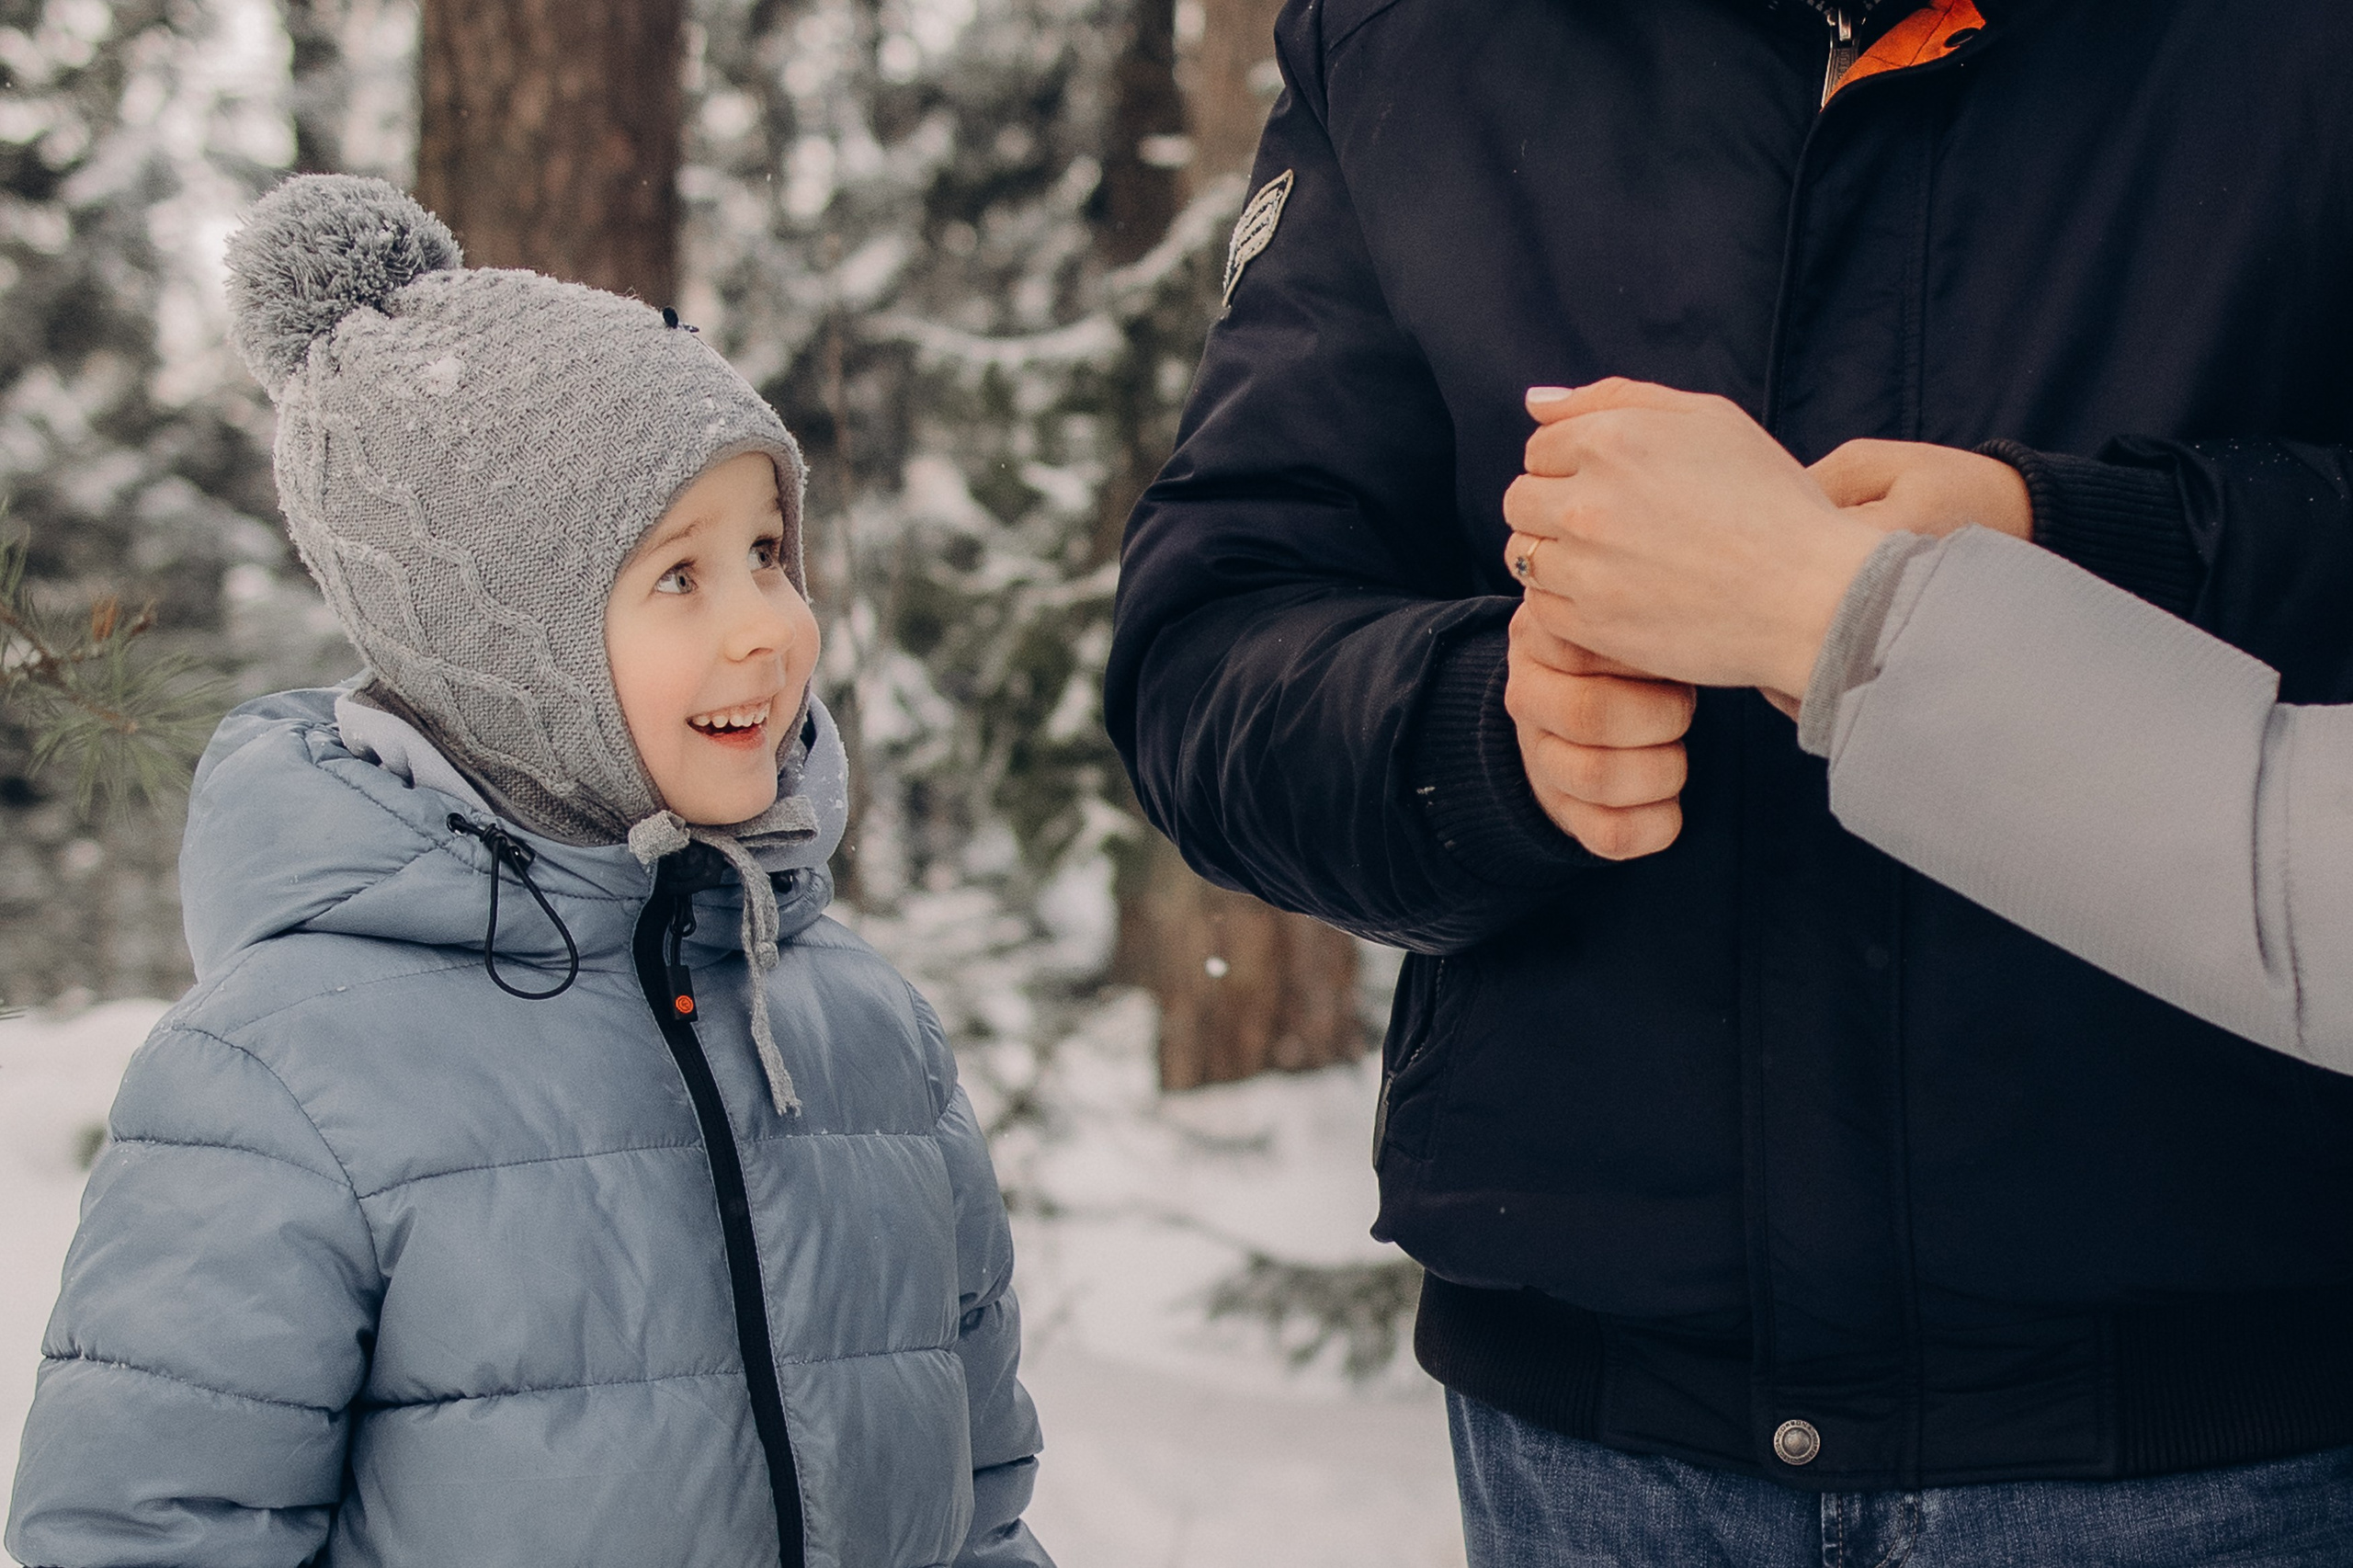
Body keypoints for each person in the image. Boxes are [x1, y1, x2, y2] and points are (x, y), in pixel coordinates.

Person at [1105, 0, 2353, 1562]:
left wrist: (2085, 542)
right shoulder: (1415, 38)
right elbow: (1214, 640)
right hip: (1601, 1434)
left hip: (2218, 1421)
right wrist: (1480, 729)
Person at [5, 176, 1050, 1568]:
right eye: (679, 576)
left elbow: (979, 1506)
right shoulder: (287, 1079)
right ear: (509, 648)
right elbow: (143, 1536)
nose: (767, 628)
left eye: (767, 551)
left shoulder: (864, 1035)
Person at [1498, 381, 2353, 1071]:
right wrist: (1491, 731)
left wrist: (1832, 604)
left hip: (2189, 1197)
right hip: (1585, 1209)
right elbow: (1366, 610)